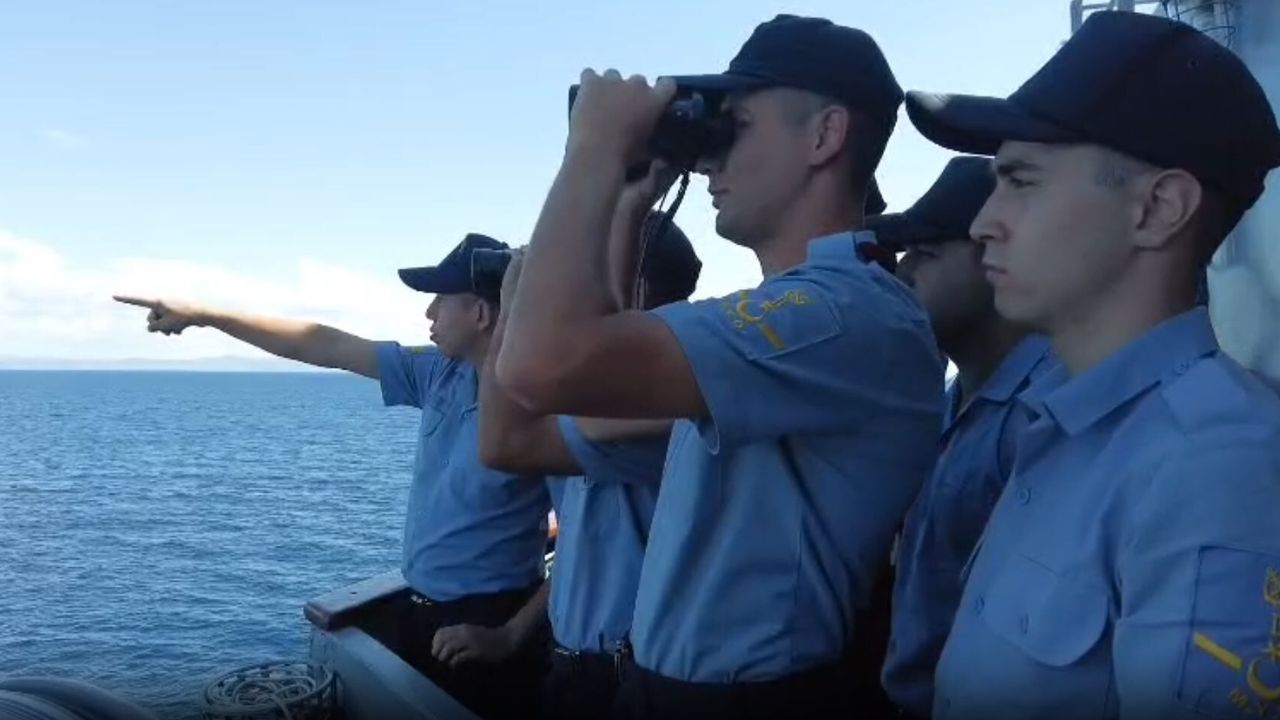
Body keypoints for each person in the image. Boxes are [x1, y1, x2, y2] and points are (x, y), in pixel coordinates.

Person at [496, 14, 945, 719]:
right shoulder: (800, 319)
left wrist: (594, 150)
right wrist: (629, 205)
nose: (708, 160)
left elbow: (543, 365)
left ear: (824, 136)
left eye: (734, 126)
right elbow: (593, 402)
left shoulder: (839, 315)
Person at [904, 10, 1280, 719]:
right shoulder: (1061, 426)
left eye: (1021, 181)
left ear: (1157, 209)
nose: (983, 223)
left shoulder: (1217, 465)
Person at [113, 234, 552, 720]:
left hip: (489, 621)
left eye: (441, 299)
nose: (428, 312)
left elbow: (584, 542)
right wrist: (206, 315)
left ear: (482, 314)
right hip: (421, 612)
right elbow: (326, 343)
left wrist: (508, 635)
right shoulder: (439, 374)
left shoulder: (543, 404)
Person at [433, 170, 702, 719]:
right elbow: (580, 546)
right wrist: (513, 634)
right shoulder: (598, 400)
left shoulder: (660, 403)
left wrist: (516, 305)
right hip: (574, 660)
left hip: (631, 672)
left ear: (632, 288)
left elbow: (503, 443)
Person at [869, 156, 1056, 719]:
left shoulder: (1044, 415)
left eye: (925, 253)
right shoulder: (950, 400)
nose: (903, 273)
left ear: (996, 258)